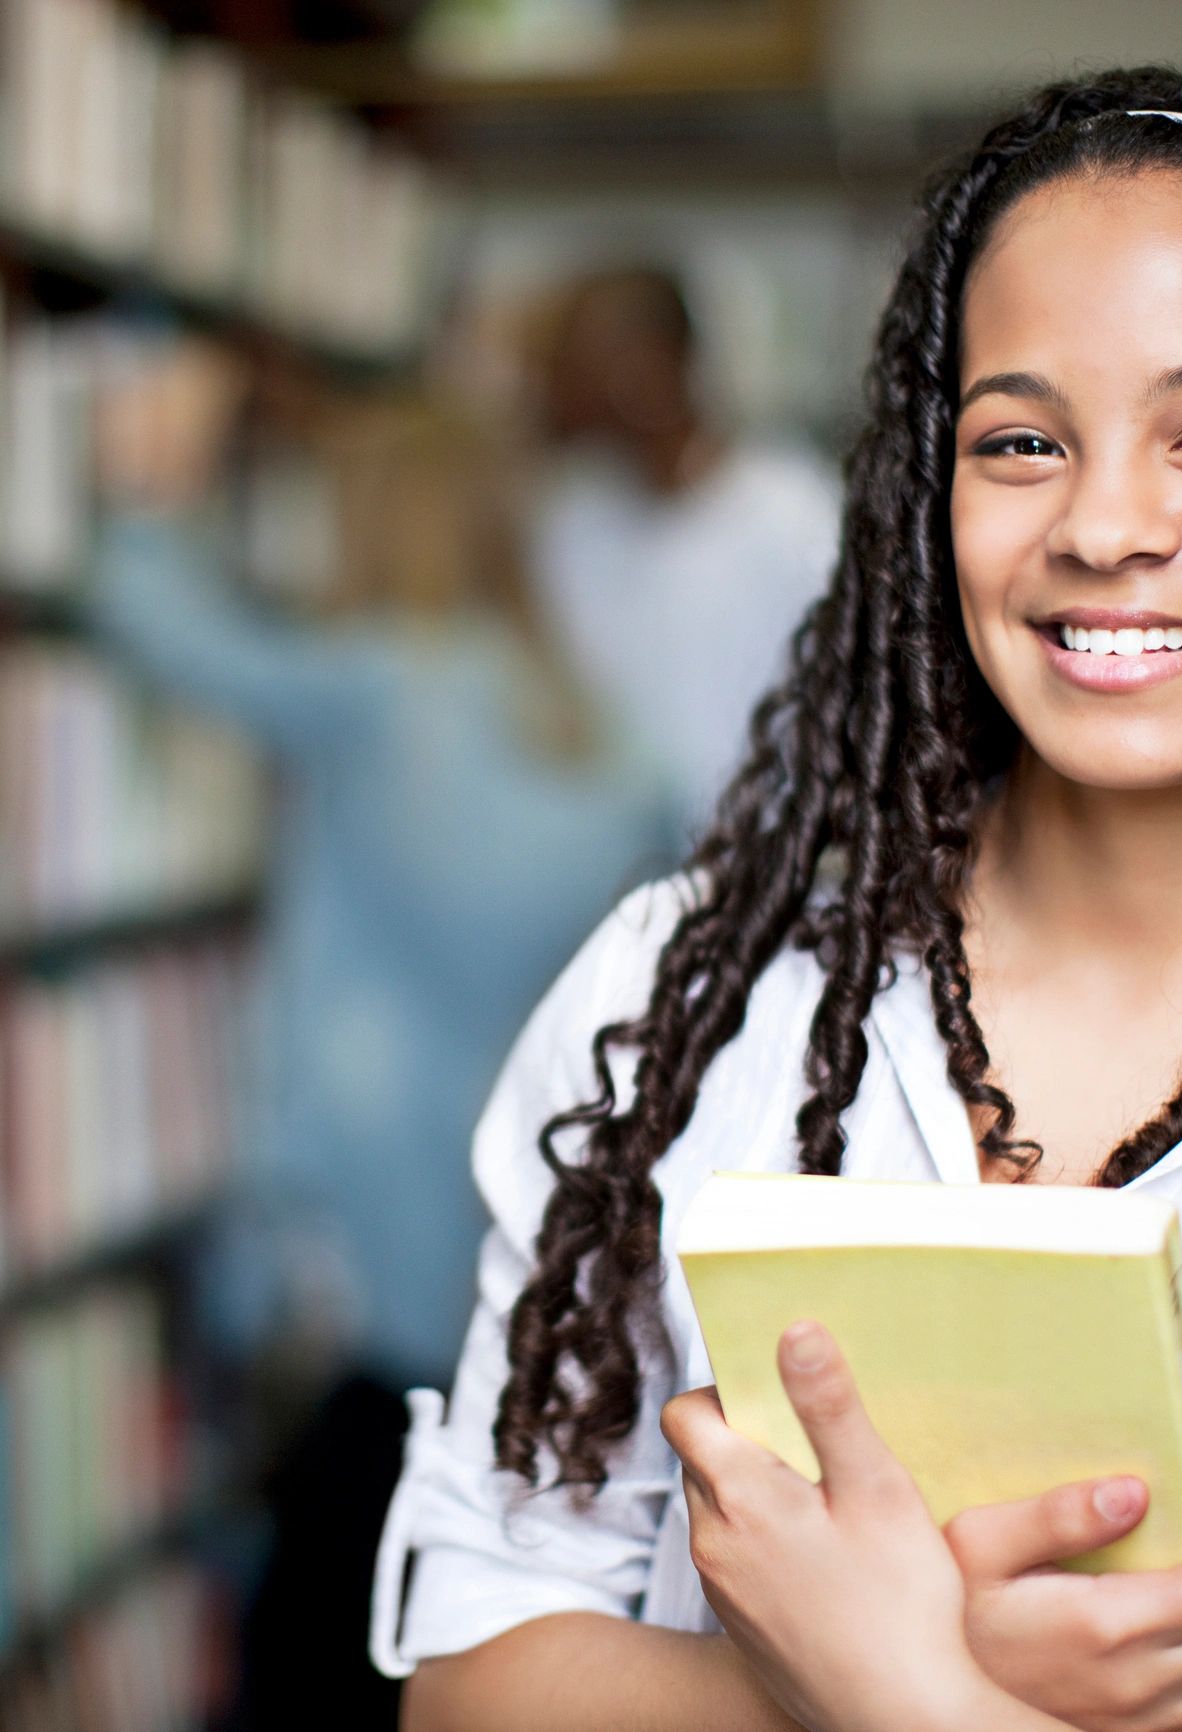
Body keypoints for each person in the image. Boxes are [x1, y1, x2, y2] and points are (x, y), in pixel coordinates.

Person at [370, 68, 1182, 1732]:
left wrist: (908, 1693)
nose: (1102, 524)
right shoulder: (683, 999)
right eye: (1019, 441)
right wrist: (852, 1684)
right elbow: (466, 1686)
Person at [88, 346, 678, 1728]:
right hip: (528, 1242)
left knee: (314, 1622)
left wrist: (146, 480)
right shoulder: (607, 741)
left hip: (353, 1247)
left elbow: (156, 623)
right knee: (442, 1594)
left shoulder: (378, 691)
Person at [527, 265, 841, 828]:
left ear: (647, 363)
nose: (549, 387)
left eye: (572, 364)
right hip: (617, 878)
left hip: (769, 871)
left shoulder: (794, 517)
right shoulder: (571, 527)